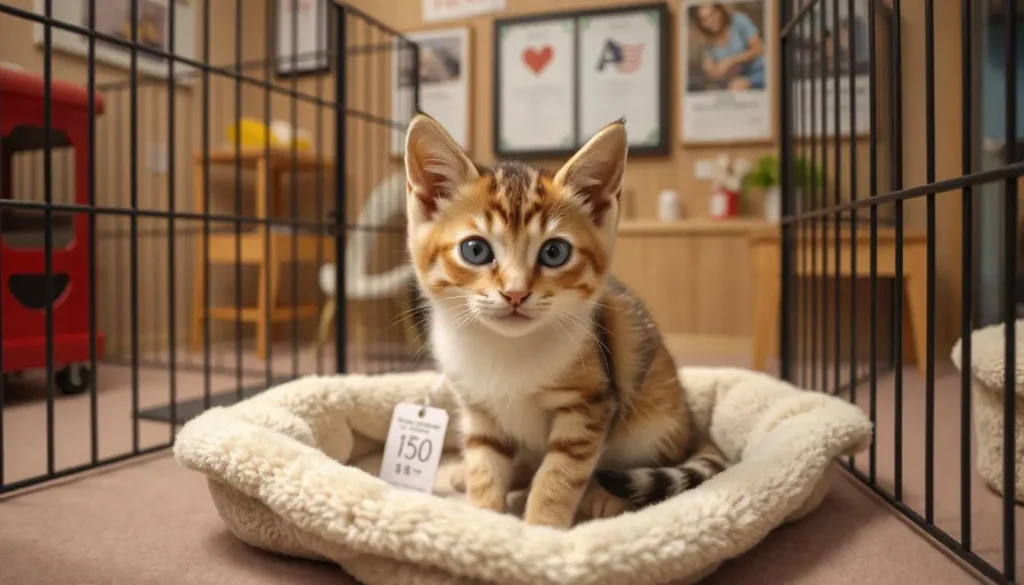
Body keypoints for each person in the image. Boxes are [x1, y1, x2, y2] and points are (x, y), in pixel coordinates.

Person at [692, 3, 766, 91]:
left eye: (712, 14)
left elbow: (758, 49)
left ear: (720, 11)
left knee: (737, 87)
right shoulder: (708, 42)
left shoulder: (738, 20)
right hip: (737, 80)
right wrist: (715, 72)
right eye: (705, 19)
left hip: (762, 71)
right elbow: (709, 70)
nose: (710, 21)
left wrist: (731, 61)